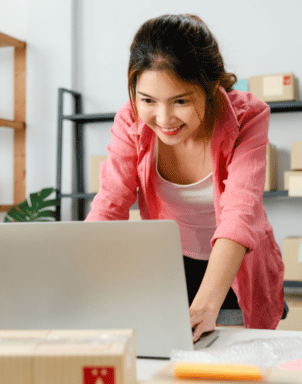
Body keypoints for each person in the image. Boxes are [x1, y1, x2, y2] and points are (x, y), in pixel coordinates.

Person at [85, 14, 285, 341]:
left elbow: (240, 212)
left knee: (230, 364)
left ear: (208, 88)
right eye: (148, 100)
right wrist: (77, 280)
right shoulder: (130, 119)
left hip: (234, 268)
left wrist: (206, 305)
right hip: (170, 268)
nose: (163, 119)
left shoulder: (248, 115)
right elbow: (109, 206)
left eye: (180, 100)